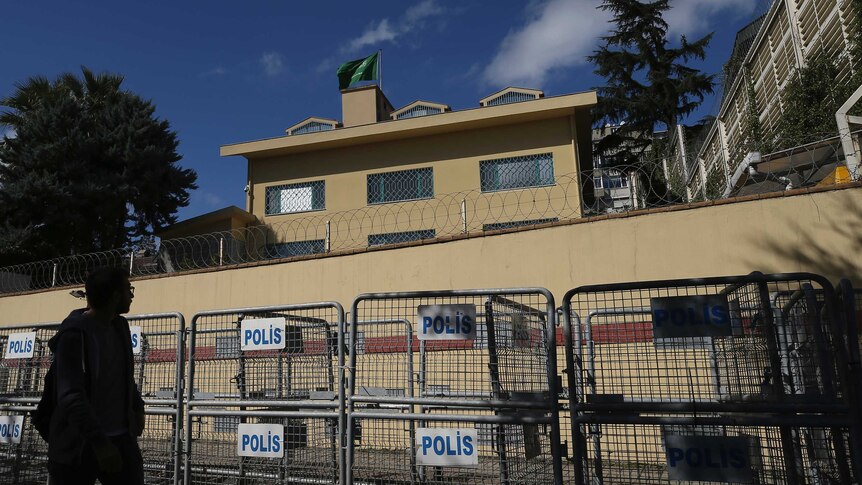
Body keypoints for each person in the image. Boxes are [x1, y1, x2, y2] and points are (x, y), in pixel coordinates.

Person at [46, 267, 145, 485]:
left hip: (121, 440)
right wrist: (100, 443)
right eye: (129, 289)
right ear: (116, 296)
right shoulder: (74, 334)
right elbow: (71, 395)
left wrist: (137, 406)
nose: (132, 295)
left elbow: (124, 376)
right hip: (79, 445)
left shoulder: (120, 326)